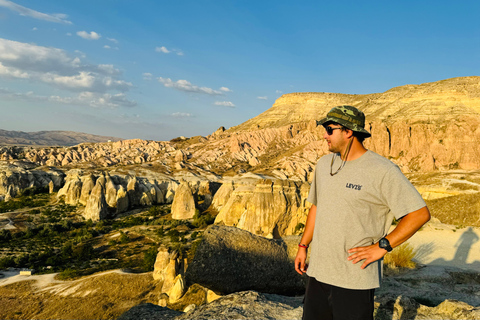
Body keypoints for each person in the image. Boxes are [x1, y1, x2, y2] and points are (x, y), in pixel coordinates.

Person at [294, 105, 431, 320]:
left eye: (330, 129)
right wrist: (303, 246)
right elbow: (316, 207)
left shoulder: (382, 170)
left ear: (348, 132)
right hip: (318, 274)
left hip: (354, 279)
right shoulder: (323, 164)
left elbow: (419, 214)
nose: (324, 135)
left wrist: (382, 247)